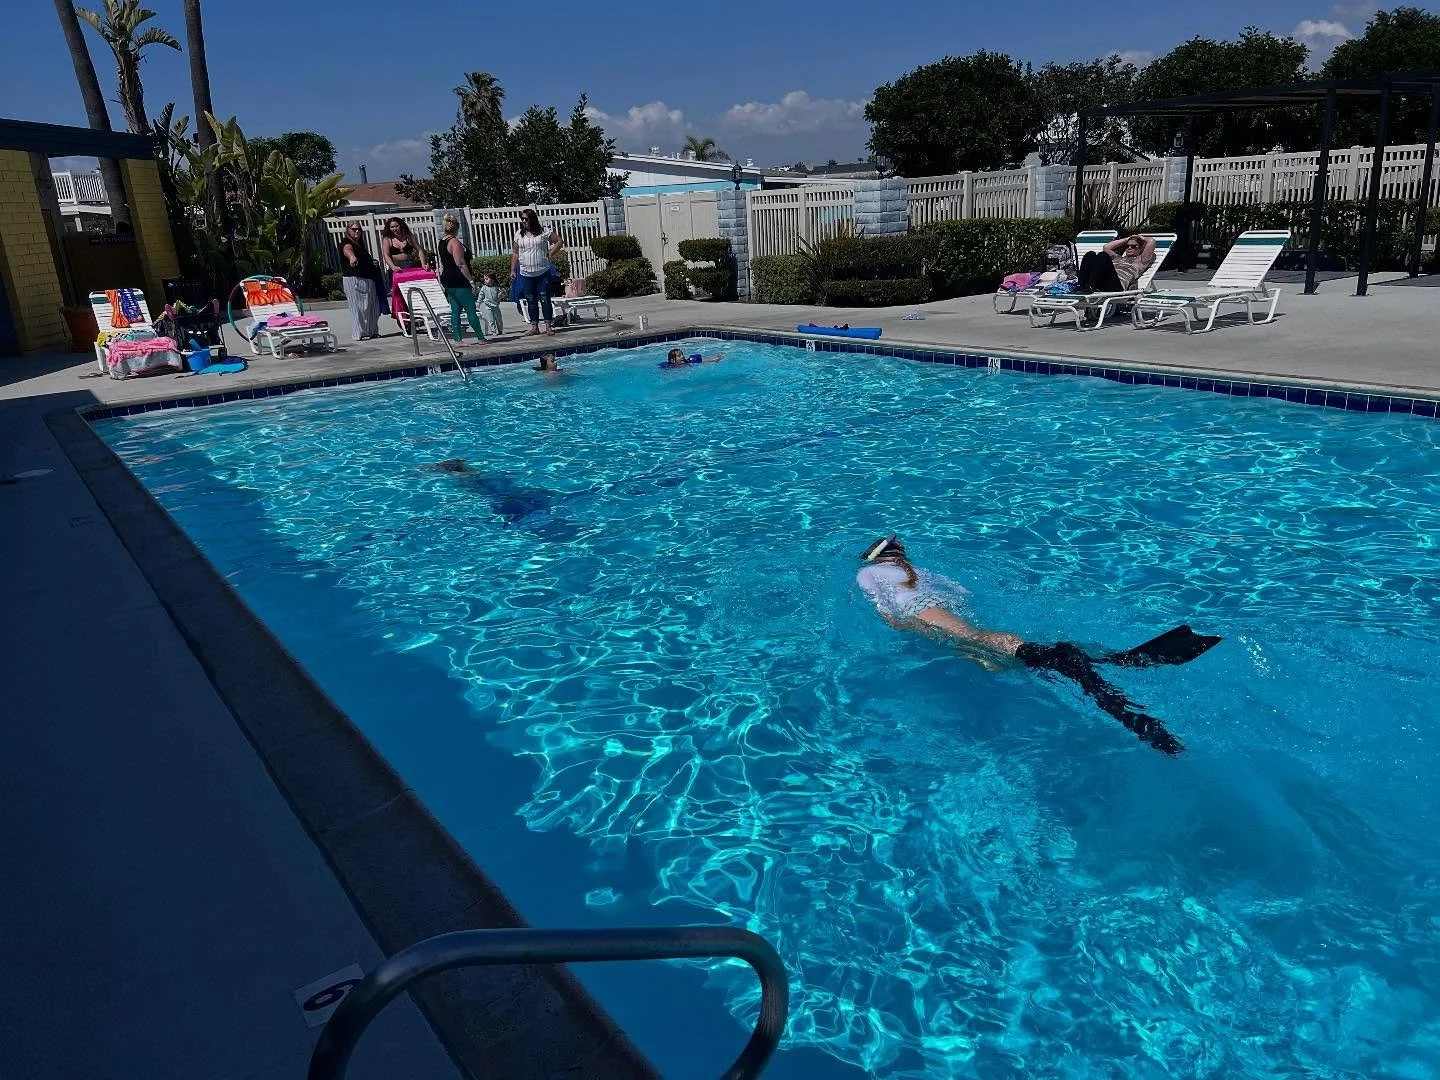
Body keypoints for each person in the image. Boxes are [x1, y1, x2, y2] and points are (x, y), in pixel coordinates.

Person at [856, 536, 1220, 755]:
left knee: (976, 641)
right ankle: (1096, 656)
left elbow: (886, 615)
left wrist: (908, 626)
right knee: (984, 650)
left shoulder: (867, 574)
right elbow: (961, 596)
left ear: (872, 558)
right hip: (944, 609)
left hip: (926, 616)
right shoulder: (921, 572)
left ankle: (1053, 655)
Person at [511, 208, 564, 336]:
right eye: (522, 219)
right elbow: (515, 253)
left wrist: (550, 253)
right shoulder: (519, 234)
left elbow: (559, 241)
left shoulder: (543, 232)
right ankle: (534, 327)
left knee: (545, 298)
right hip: (525, 273)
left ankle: (548, 326)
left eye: (526, 219)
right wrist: (513, 269)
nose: (524, 221)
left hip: (542, 272)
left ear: (532, 219)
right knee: (530, 299)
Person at [437, 213, 485, 344]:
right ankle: (480, 337)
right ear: (456, 227)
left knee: (455, 310)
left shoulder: (442, 242)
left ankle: (458, 339)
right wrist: (471, 280)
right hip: (459, 279)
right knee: (470, 309)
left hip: (447, 278)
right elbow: (460, 263)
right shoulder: (454, 242)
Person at [338, 221, 380, 340]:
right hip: (354, 279)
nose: (357, 231)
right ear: (347, 230)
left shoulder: (359, 244)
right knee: (357, 308)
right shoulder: (346, 243)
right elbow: (347, 250)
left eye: (359, 230)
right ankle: (358, 333)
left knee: (372, 307)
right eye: (354, 229)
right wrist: (352, 257)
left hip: (367, 278)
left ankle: (372, 331)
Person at [1075, 232, 1156, 293]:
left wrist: (1138, 237)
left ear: (1141, 248)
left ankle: (1090, 287)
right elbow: (1106, 247)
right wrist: (1126, 239)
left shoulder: (1140, 261)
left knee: (1103, 255)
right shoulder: (1118, 258)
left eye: (1133, 246)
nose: (1129, 248)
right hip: (1103, 283)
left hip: (1117, 287)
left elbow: (1151, 241)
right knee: (1090, 254)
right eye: (1127, 246)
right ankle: (1081, 286)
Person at [478, 273, 504, 338]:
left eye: (487, 279)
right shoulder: (484, 288)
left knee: (498, 319)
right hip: (488, 306)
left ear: (492, 280)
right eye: (484, 279)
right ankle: (493, 331)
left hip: (496, 306)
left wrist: (500, 294)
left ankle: (500, 329)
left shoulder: (496, 287)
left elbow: (498, 297)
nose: (485, 280)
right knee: (491, 320)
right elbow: (481, 296)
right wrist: (478, 303)